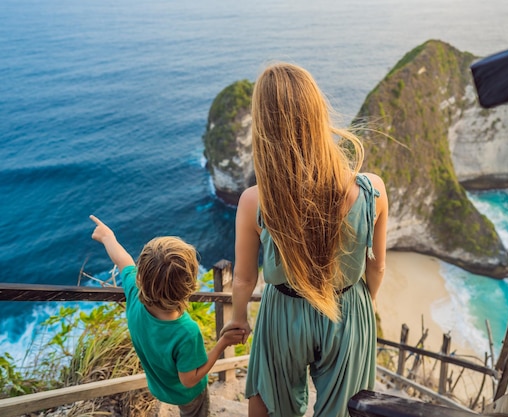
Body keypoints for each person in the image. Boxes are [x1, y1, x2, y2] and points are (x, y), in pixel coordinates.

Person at [221, 62, 388, 417]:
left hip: (283, 312)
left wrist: (239, 319)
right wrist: (362, 306)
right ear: (318, 116)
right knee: (345, 411)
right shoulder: (372, 190)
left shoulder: (255, 200)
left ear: (264, 126)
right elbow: (378, 266)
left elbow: (244, 277)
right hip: (347, 307)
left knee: (270, 404)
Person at [89, 215, 245, 417]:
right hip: (187, 395)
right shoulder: (186, 331)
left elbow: (123, 261)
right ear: (189, 284)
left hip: (159, 388)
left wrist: (108, 237)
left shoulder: (135, 295)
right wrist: (223, 342)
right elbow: (189, 380)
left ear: (142, 276)